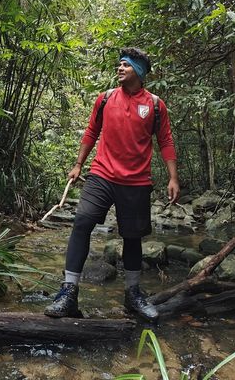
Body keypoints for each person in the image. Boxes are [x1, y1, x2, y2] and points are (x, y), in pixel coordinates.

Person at [44, 47, 180, 321]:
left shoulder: (155, 105)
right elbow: (92, 131)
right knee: (82, 222)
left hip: (137, 181)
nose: (119, 68)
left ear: (139, 72)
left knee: (132, 237)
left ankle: (132, 295)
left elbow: (165, 140)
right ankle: (68, 292)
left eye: (126, 65)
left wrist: (173, 177)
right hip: (102, 175)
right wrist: (78, 164)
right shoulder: (105, 99)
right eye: (119, 64)